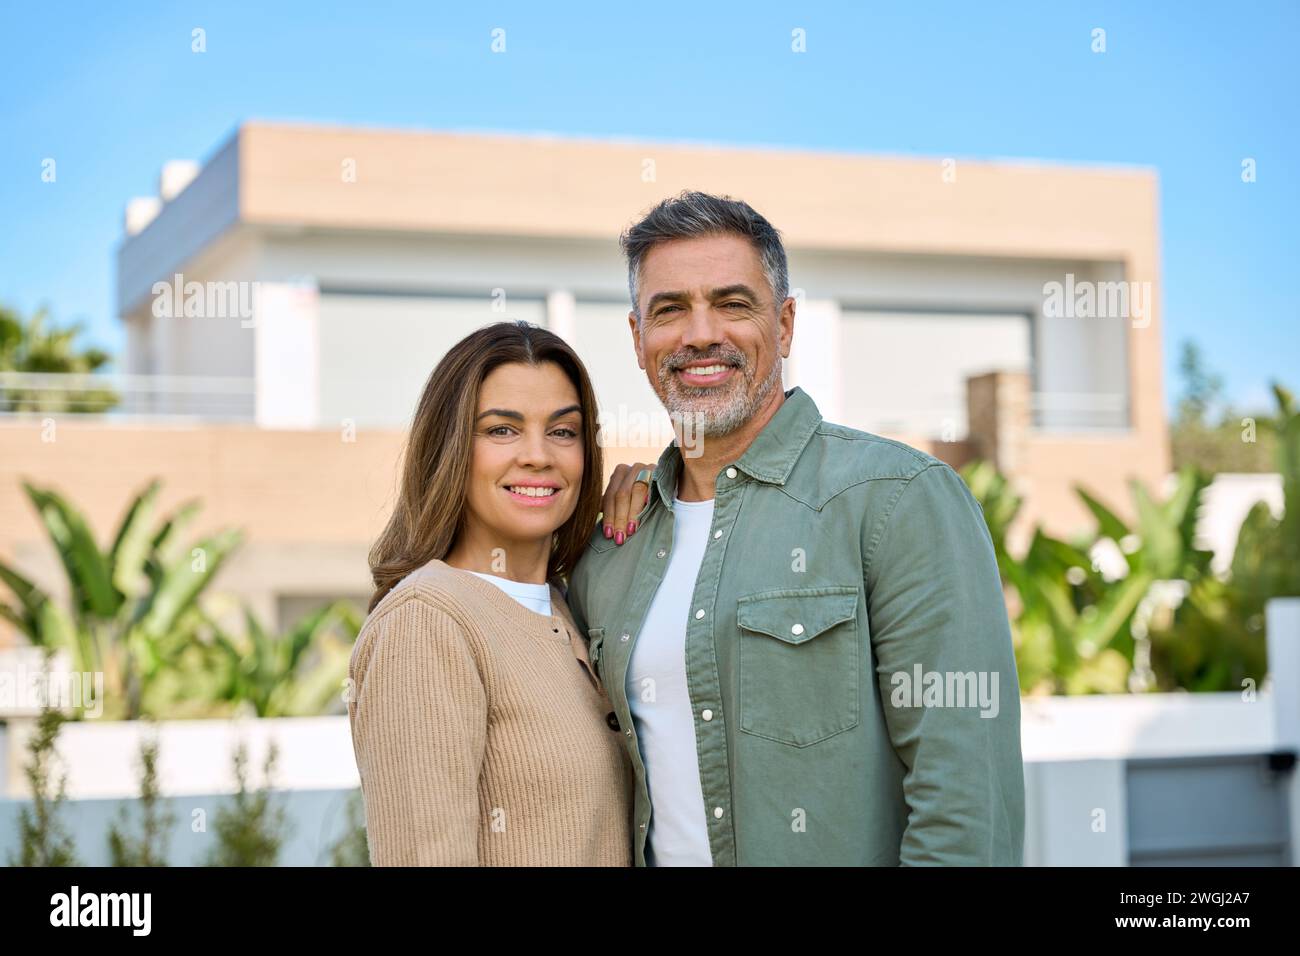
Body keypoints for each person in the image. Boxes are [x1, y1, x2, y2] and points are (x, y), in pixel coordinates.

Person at [569, 190, 1026, 866]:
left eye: (732, 303)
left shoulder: (897, 502)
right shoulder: (611, 548)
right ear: (638, 340)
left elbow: (967, 809)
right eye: (670, 309)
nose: (700, 333)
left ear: (784, 325)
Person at [347, 321, 632, 866]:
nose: (537, 455)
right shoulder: (427, 621)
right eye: (502, 430)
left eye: (563, 431)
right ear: (451, 447)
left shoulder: (573, 607)